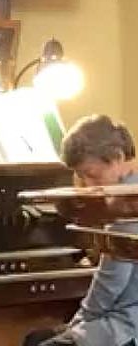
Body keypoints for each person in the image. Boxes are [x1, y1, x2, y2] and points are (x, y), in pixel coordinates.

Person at [23, 115, 138, 346]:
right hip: (119, 315)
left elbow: (110, 284)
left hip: (126, 325)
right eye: (81, 176)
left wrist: (76, 325)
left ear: (117, 157)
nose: (87, 184)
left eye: (92, 174)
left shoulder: (128, 205)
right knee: (36, 338)